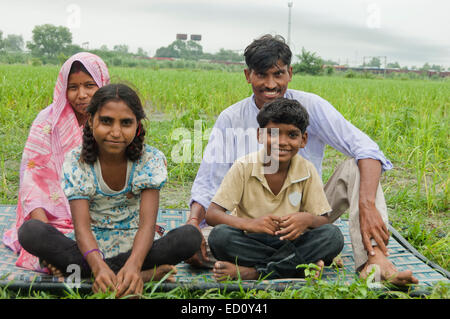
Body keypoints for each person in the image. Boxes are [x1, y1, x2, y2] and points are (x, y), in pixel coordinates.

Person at [187, 34, 418, 286]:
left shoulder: (310, 106)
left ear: (290, 73)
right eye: (261, 75)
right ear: (247, 75)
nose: (270, 84)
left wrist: (367, 204)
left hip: (306, 220)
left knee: (355, 169)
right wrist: (192, 226)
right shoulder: (231, 118)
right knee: (199, 250)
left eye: (278, 74)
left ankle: (375, 259)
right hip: (253, 226)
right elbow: (208, 181)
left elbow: (366, 149)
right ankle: (302, 262)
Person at [18, 84, 202, 297]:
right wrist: (98, 265)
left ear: (137, 126)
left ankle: (105, 275)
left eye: (126, 123)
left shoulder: (150, 160)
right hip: (89, 248)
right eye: (106, 121)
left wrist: (134, 265)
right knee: (31, 231)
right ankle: (141, 275)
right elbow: (82, 227)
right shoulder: (77, 161)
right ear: (90, 121)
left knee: (189, 236)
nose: (116, 132)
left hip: (136, 247)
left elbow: (147, 226)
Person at [205, 98, 344, 280]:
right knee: (220, 237)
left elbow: (324, 221)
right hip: (252, 240)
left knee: (332, 236)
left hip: (292, 241)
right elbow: (213, 214)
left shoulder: (307, 169)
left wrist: (307, 219)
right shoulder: (244, 166)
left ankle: (253, 272)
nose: (283, 142)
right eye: (273, 134)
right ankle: (297, 267)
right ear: (260, 136)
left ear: (303, 140)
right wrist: (250, 224)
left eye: (292, 135)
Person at [3, 52, 110, 273]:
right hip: (54, 219)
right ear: (63, 88)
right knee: (34, 233)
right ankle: (91, 263)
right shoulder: (47, 122)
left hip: (101, 218)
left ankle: (68, 263)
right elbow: (33, 183)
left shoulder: (111, 120)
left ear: (102, 84)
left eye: (90, 85)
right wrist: (44, 230)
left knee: (123, 238)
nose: (81, 95)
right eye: (73, 87)